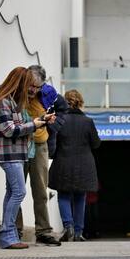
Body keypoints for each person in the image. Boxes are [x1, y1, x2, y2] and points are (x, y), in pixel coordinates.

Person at [0, 65, 68, 246]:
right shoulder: (7, 97)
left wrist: (49, 125)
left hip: (36, 143)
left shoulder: (47, 92)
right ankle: (13, 231)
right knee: (17, 190)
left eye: (38, 88)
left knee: (38, 189)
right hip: (14, 146)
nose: (34, 91)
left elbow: (62, 109)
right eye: (32, 86)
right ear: (24, 82)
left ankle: (41, 231)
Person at [48, 89, 101, 242]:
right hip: (84, 164)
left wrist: (53, 154)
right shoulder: (88, 121)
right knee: (80, 197)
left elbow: (52, 143)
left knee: (63, 195)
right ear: (80, 102)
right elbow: (96, 144)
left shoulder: (60, 120)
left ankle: (68, 226)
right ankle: (78, 232)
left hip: (63, 162)